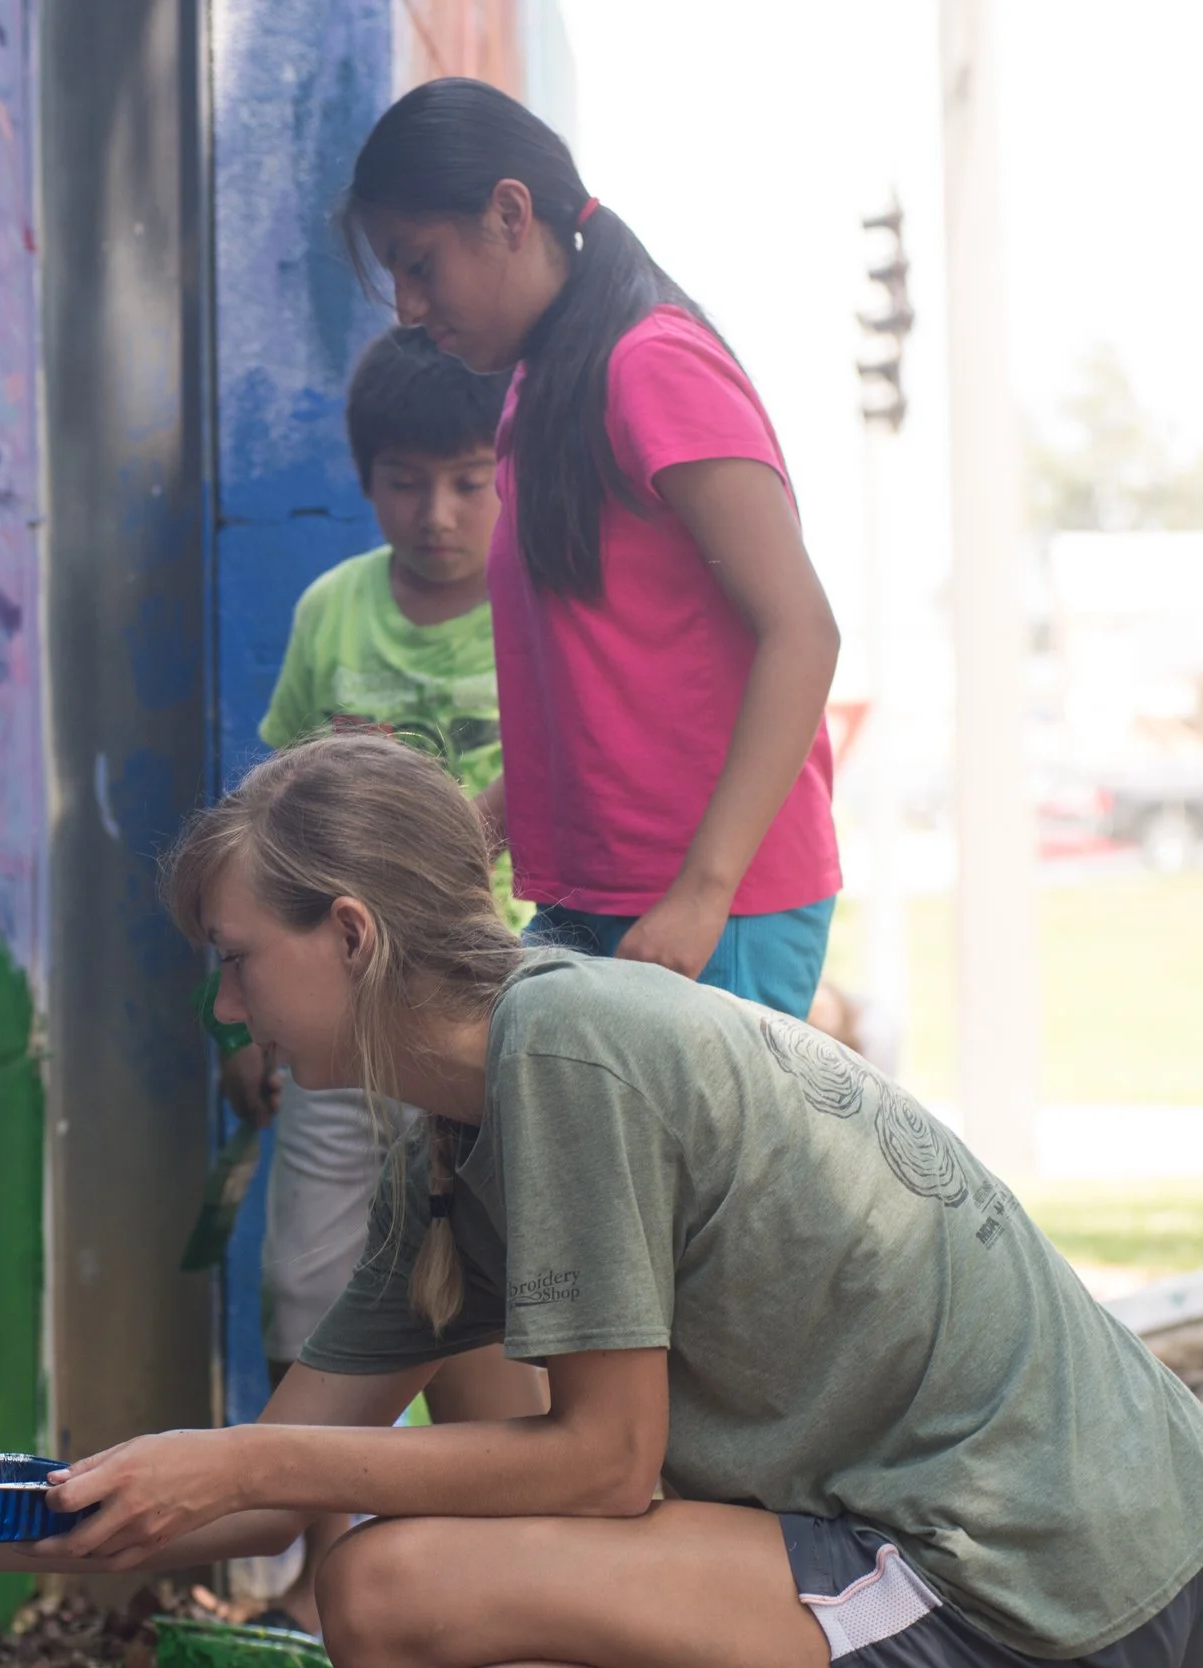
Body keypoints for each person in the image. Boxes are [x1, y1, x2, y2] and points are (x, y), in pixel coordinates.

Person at [0, 734, 1203, 1668]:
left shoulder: (569, 1049)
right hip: (974, 1548)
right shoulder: (447, 1147)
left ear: (357, 936)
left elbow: (604, 1466)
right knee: (376, 1556)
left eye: (242, 962)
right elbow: (264, 1481)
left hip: (1051, 1584)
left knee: (391, 1588)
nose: (233, 1012)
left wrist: (250, 1452)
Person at [345, 77, 843, 1018]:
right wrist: (459, 832)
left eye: (420, 264)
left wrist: (703, 894)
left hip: (707, 911)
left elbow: (804, 632)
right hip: (586, 900)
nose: (409, 307)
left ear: (508, 213)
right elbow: (595, 694)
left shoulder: (652, 362)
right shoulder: (535, 390)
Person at [214, 325, 548, 1633]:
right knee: (313, 1278)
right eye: (408, 481)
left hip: (467, 1025)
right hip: (343, 1030)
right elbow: (273, 831)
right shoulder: (333, 615)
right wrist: (249, 1018)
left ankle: (471, 1556)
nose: (440, 512)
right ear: (366, 482)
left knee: (476, 1299)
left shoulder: (534, 609)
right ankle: (317, 1556)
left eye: (471, 479)